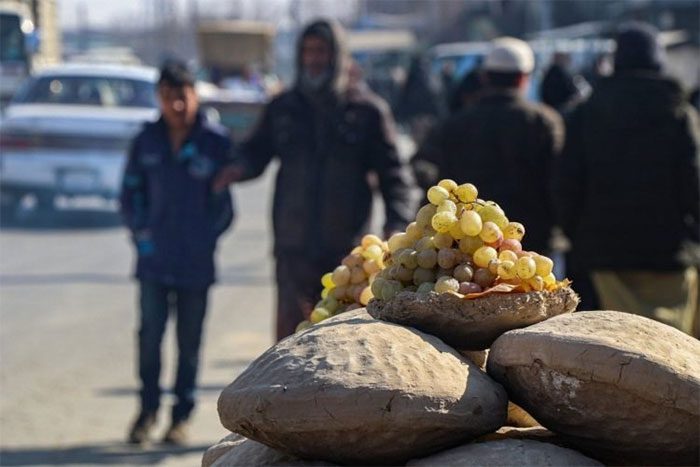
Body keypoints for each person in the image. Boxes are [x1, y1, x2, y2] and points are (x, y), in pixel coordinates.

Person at [213, 19, 416, 341]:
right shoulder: (283, 108)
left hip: (347, 254)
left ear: (337, 55)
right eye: (307, 51)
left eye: (321, 51)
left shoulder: (366, 111)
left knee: (343, 343)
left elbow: (396, 176)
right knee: (290, 343)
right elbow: (255, 152)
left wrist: (397, 224)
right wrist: (235, 168)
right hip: (293, 249)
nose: (314, 58)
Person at [554, 22, 700, 336]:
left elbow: (567, 184)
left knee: (613, 356)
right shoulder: (679, 113)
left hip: (603, 260)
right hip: (670, 257)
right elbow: (693, 183)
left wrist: (577, 237)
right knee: (675, 353)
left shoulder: (585, 113)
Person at [120, 60, 234, 445]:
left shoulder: (215, 142)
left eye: (183, 97)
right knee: (149, 339)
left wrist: (206, 238)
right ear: (159, 98)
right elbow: (129, 192)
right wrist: (140, 234)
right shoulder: (146, 140)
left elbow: (224, 206)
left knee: (189, 343)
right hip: (153, 260)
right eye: (169, 98)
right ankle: (147, 411)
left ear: (195, 95)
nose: (178, 106)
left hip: (196, 263)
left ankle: (180, 417)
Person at [411, 37, 564, 255]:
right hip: (531, 242)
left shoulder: (455, 124)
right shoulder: (544, 122)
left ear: (485, 77)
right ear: (524, 79)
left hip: (468, 245)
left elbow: (422, 166)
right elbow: (561, 181)